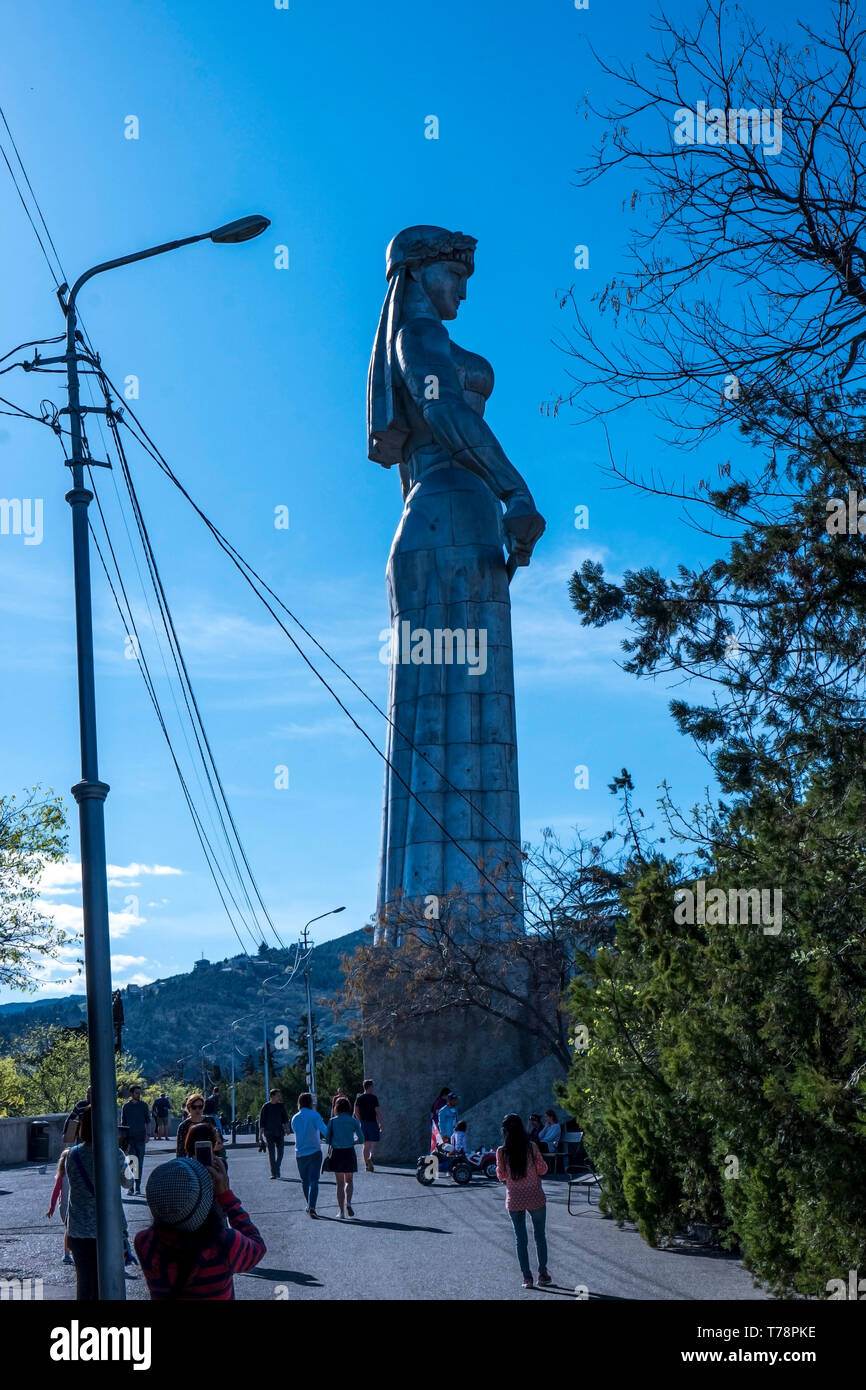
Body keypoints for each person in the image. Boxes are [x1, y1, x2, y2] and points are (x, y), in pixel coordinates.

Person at [135, 1156, 265, 1299]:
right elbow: (257, 1248)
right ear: (207, 1199)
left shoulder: (144, 1242)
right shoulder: (225, 1243)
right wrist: (226, 1195)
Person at [65, 1105, 133, 1300]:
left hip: (78, 1230)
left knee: (85, 1285)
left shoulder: (72, 1154)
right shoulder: (115, 1153)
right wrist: (128, 1156)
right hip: (107, 1230)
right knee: (110, 1284)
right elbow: (129, 1182)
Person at [496, 1113, 552, 1290]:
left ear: (504, 1131)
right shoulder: (531, 1147)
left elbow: (501, 1175)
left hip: (514, 1199)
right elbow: (543, 1169)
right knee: (540, 1236)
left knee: (521, 1240)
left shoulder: (502, 1151)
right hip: (535, 1196)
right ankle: (542, 1274)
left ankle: (527, 1278)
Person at [325, 1098, 364, 1219]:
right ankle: (349, 1203)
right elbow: (361, 1139)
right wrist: (353, 1141)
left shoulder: (332, 1121)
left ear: (336, 1108)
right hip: (349, 1152)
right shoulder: (353, 1121)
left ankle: (341, 1212)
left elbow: (327, 1139)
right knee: (349, 1181)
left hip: (337, 1153)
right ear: (348, 1107)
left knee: (339, 1184)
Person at [291, 1092, 328, 1217]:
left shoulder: (295, 1118)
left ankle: (308, 1204)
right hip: (314, 1151)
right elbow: (325, 1131)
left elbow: (295, 1131)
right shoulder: (315, 1115)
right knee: (314, 1181)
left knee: (304, 1181)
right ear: (310, 1102)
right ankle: (312, 1206)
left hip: (300, 1153)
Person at [120, 1084, 151, 1195]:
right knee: (131, 1163)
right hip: (129, 1139)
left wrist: (148, 1134)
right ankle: (130, 1187)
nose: (138, 1095)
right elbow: (123, 1124)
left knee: (140, 1163)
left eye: (139, 1093)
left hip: (141, 1138)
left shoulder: (143, 1105)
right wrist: (123, 1140)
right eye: (136, 1093)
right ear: (131, 1094)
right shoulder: (126, 1107)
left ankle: (137, 1187)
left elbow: (148, 1121)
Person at [45, 1147, 73, 1265]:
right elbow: (55, 1192)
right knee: (69, 1229)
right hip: (66, 1208)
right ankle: (67, 1254)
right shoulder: (63, 1176)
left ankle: (69, 1253)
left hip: (70, 1207)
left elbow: (56, 1193)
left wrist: (52, 1208)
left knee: (70, 1230)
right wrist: (51, 1208)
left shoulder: (68, 1174)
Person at [258, 1088, 290, 1179]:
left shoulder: (281, 1106)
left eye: (279, 1095)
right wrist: (260, 1136)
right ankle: (273, 1173)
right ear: (272, 1096)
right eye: (277, 1095)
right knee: (271, 1153)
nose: (279, 1097)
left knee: (281, 1153)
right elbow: (262, 1122)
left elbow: (285, 1118)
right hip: (269, 1132)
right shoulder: (266, 1106)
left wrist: (287, 1128)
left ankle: (276, 1168)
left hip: (279, 1132)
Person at [353, 1079, 384, 1172]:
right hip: (372, 1123)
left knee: (365, 1145)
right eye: (372, 1086)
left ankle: (367, 1165)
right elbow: (377, 1111)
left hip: (363, 1123)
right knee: (374, 1142)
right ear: (369, 1087)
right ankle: (370, 1157)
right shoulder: (374, 1098)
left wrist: (360, 1121)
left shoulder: (359, 1098)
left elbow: (355, 1111)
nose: (373, 1088)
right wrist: (381, 1123)